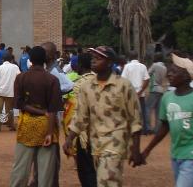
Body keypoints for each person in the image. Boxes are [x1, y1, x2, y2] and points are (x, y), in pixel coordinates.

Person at [64, 46, 144, 187]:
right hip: (95, 144)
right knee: (103, 180)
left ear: (109, 62)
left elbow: (135, 119)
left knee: (106, 180)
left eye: (99, 58)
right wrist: (69, 139)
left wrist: (136, 149)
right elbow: (80, 117)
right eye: (93, 58)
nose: (94, 61)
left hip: (115, 143)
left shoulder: (123, 86)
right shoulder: (86, 87)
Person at [141, 54, 193, 187]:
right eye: (170, 70)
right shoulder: (167, 97)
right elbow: (165, 126)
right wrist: (147, 150)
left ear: (186, 76)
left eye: (174, 71)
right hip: (177, 153)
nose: (169, 74)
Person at [9, 46, 62, 187]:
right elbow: (53, 110)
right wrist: (50, 133)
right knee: (46, 172)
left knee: (20, 168)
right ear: (45, 59)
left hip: (26, 125)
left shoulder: (21, 78)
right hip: (47, 126)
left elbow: (18, 103)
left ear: (30, 60)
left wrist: (36, 111)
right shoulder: (52, 80)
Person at [62, 52, 98, 187]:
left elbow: (78, 114)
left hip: (84, 136)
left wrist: (70, 137)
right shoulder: (100, 80)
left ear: (80, 65)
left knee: (86, 172)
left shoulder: (78, 84)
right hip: (101, 133)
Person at [121, 53, 150, 133]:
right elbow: (147, 79)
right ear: (137, 57)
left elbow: (123, 80)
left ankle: (132, 129)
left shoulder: (127, 66)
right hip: (141, 93)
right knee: (142, 111)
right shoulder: (143, 66)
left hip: (130, 93)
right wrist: (141, 91)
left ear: (129, 58)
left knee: (130, 111)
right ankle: (144, 129)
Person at [0, 51, 20, 132]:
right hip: (11, 92)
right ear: (11, 59)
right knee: (9, 109)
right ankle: (11, 125)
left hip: (0, 92)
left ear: (3, 59)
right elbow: (19, 77)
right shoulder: (15, 67)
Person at [145, 53, 168, 135]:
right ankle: (157, 129)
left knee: (148, 108)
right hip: (161, 89)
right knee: (158, 110)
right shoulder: (165, 67)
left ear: (156, 58)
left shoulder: (155, 65)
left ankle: (148, 127)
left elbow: (147, 73)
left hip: (154, 88)